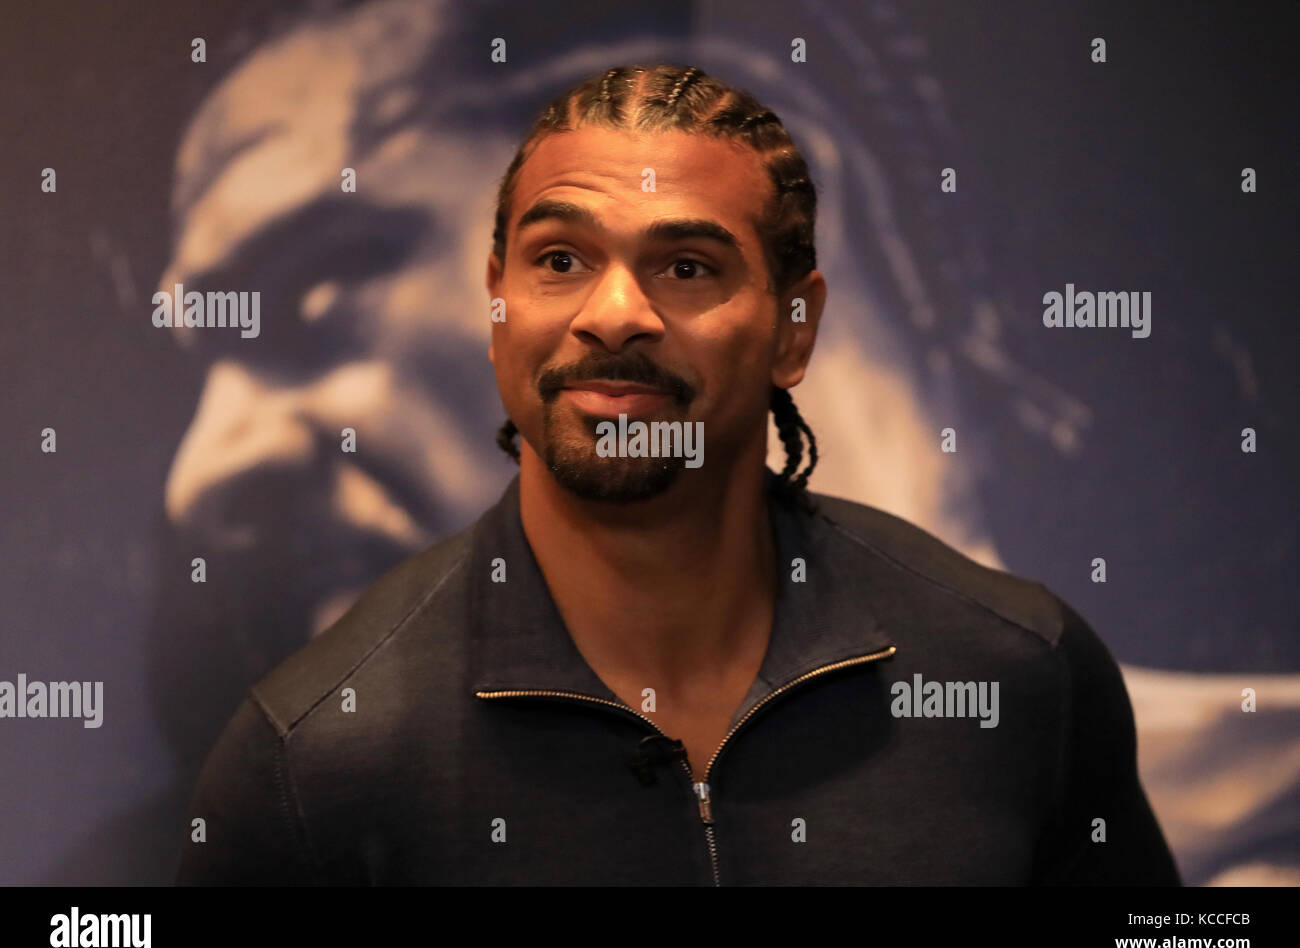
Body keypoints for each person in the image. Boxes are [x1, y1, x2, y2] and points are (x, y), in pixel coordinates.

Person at [175, 63, 1179, 885]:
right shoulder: (315, 754)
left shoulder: (1015, 671)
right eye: (559, 259)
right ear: (498, 305)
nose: (613, 313)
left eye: (687, 266)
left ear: (797, 329)